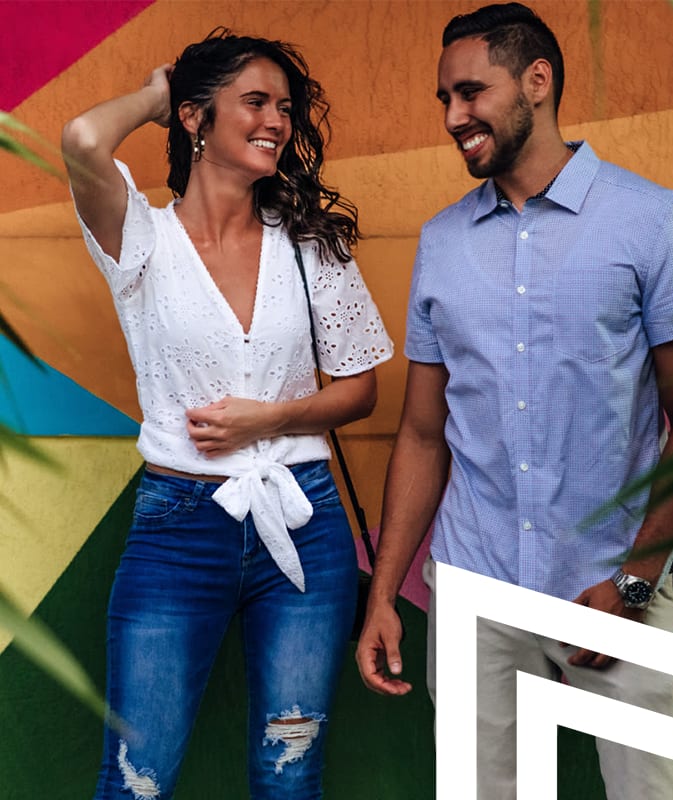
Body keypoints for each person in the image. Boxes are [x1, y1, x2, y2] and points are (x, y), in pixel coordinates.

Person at [355, 4, 673, 799]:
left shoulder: (653, 221)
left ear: (537, 82)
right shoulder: (442, 241)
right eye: (444, 99)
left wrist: (634, 583)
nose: (453, 117)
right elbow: (423, 434)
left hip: (613, 586)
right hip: (475, 588)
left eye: (470, 92)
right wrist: (385, 592)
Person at [62, 29, 392, 800]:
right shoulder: (140, 238)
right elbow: (81, 139)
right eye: (255, 102)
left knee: (291, 773)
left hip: (305, 524)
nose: (277, 119)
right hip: (178, 528)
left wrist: (267, 420)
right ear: (195, 118)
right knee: (136, 780)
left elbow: (361, 389)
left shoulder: (313, 244)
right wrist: (153, 93)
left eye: (285, 107)